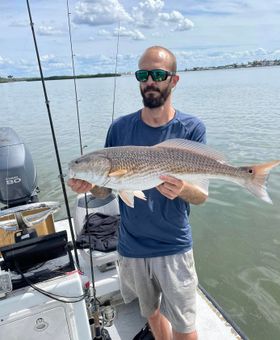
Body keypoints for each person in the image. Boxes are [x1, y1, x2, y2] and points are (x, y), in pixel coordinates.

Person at [68, 46, 208, 340]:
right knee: (150, 312)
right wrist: (90, 184)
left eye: (158, 74)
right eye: (143, 75)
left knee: (184, 326)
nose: (150, 81)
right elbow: (108, 189)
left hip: (174, 246)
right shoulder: (119, 129)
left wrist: (182, 189)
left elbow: (201, 196)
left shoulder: (192, 128)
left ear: (174, 80)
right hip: (131, 247)